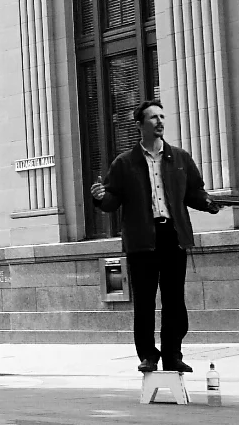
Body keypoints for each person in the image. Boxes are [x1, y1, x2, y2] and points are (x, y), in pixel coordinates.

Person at [90, 100, 222, 374]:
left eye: (162, 116)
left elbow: (194, 192)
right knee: (145, 301)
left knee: (174, 300)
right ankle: (148, 355)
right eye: (152, 118)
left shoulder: (180, 158)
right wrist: (100, 198)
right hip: (141, 240)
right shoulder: (125, 163)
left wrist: (209, 203)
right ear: (140, 125)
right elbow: (112, 200)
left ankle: (173, 355)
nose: (159, 122)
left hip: (173, 236)